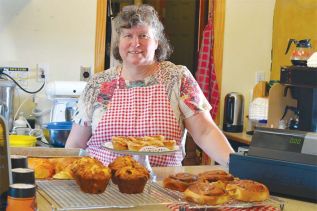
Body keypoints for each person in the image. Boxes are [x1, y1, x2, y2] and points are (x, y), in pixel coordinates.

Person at [65, 4, 234, 167]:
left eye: (144, 36)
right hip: (104, 184)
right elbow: (76, 144)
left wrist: (235, 165)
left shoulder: (177, 78)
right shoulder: (98, 83)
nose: (135, 43)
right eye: (128, 35)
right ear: (119, 42)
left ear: (157, 42)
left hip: (163, 185)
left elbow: (205, 132)